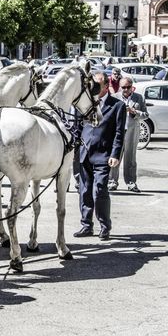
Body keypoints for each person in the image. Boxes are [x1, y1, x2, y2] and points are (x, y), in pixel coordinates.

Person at [74, 71, 126, 241]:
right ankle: (86, 225)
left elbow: (119, 133)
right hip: (85, 152)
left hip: (103, 155)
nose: (94, 88)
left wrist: (115, 154)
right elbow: (77, 127)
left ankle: (105, 226)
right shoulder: (85, 103)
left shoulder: (117, 105)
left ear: (106, 85)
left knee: (100, 190)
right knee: (84, 191)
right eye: (92, 85)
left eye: (98, 85)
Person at [109, 76, 148, 192]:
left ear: (132, 87)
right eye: (123, 87)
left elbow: (146, 115)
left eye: (128, 87)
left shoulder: (138, 98)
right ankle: (112, 181)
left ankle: (131, 182)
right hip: (117, 131)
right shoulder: (115, 97)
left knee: (130, 158)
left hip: (132, 130)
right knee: (115, 156)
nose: (125, 90)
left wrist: (134, 112)